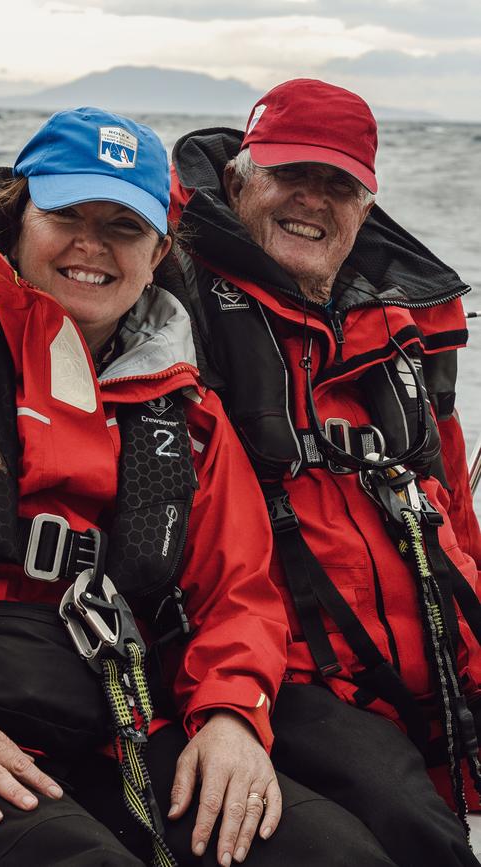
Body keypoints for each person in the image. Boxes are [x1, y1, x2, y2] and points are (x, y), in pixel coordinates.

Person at [0, 106, 398, 867]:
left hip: (119, 720)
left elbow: (241, 595)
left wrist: (231, 715)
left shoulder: (191, 416)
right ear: (18, 214)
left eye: (123, 227)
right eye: (67, 213)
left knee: (334, 854)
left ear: (159, 248)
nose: (90, 245)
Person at [165, 78, 481, 867]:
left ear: (366, 207)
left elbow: (453, 507)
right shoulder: (170, 296)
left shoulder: (404, 326)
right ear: (240, 177)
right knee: (415, 827)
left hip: (438, 646)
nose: (312, 199)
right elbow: (49, 291)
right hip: (289, 668)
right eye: (288, 174)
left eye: (337, 183)